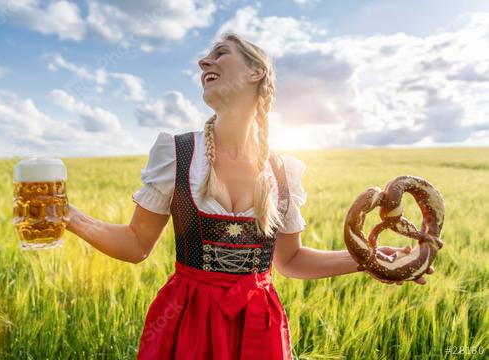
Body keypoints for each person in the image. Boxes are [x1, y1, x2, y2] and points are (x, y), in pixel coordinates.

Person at [66, 32, 434, 360]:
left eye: (220, 53)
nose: (203, 61)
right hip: (184, 320)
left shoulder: (283, 171)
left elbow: (289, 261)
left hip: (258, 326)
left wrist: (368, 259)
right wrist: (67, 215)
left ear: (256, 72)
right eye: (206, 56)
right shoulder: (176, 154)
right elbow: (135, 244)